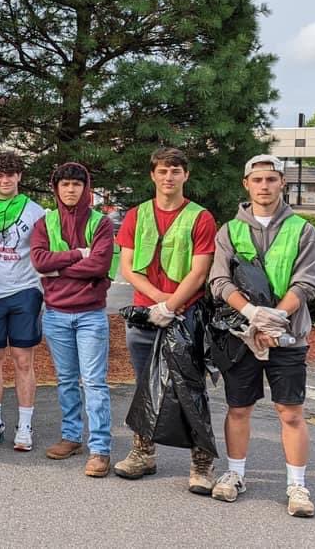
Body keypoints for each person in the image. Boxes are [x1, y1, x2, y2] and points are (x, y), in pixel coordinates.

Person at [207, 155, 315, 517]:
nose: (264, 186)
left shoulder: (302, 230)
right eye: (257, 179)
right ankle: (236, 475)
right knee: (238, 408)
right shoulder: (229, 230)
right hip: (242, 334)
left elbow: (307, 280)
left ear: (282, 183)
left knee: (290, 412)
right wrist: (251, 314)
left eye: (271, 179)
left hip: (287, 335)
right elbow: (219, 281)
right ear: (246, 184)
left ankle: (297, 486)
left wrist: (275, 317)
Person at [113, 147, 218, 493]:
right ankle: (144, 452)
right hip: (146, 315)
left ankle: (201, 463)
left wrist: (172, 306)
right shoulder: (136, 215)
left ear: (186, 175)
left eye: (175, 171)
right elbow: (127, 267)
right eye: (162, 171)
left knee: (191, 388)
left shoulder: (200, 218)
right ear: (152, 175)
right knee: (146, 385)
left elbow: (200, 271)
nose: (168, 177)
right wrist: (158, 303)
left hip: (188, 316)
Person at [30, 162, 115, 476]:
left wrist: (59, 266)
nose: (70, 190)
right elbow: (39, 262)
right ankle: (70, 437)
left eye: (76, 185)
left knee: (94, 383)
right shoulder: (45, 223)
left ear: (85, 188)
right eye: (64, 184)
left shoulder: (101, 223)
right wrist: (80, 254)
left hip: (91, 314)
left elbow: (100, 265)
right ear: (56, 188)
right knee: (66, 381)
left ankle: (100, 449)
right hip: (56, 315)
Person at [0, 152, 45, 451]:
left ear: (19, 177)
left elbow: (46, 250)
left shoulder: (35, 211)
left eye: (11, 174)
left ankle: (25, 425)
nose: (5, 180)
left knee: (23, 359)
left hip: (25, 289)